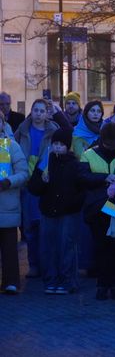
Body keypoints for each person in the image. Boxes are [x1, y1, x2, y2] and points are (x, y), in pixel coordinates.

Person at [78, 123, 115, 301]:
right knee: (101, 246)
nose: (111, 147)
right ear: (101, 141)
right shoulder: (88, 154)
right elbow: (82, 177)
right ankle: (103, 284)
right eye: (108, 144)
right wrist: (104, 179)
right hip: (98, 209)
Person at [15, 99, 72, 278]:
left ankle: (48, 264)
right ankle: (33, 264)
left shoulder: (53, 130)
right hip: (26, 182)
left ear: (47, 113)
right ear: (31, 111)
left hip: (46, 182)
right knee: (30, 226)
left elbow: (69, 135)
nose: (39, 113)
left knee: (45, 226)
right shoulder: (22, 130)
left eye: (42, 110)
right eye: (36, 110)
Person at [28, 129, 83, 295]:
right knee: (49, 246)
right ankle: (51, 279)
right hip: (48, 210)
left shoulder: (74, 164)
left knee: (67, 246)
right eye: (55, 144)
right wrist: (43, 182)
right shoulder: (45, 162)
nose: (58, 148)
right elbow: (33, 187)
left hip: (68, 211)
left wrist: (73, 204)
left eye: (61, 145)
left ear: (68, 147)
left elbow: (81, 189)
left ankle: (68, 280)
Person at [0, 111, 29, 294]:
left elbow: (24, 173)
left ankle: (11, 281)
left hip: (7, 206)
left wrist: (9, 181)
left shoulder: (11, 146)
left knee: (10, 248)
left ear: (3, 124)